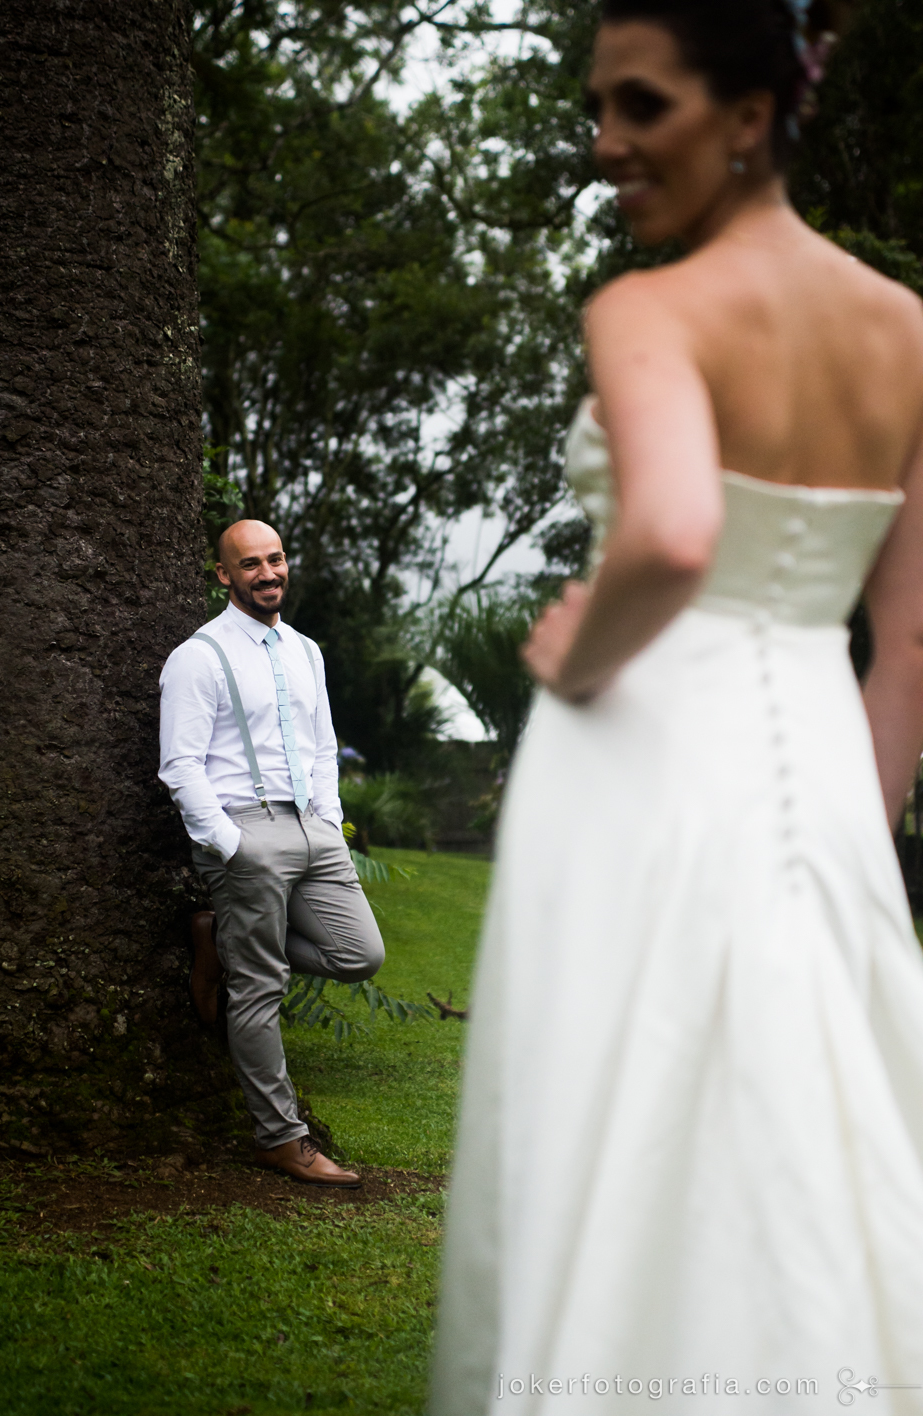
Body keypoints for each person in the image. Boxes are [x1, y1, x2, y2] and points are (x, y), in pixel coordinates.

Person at [431, 1, 923, 1410]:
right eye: (600, 108)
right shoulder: (904, 330)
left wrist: (575, 659)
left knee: (619, 1117)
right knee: (800, 1135)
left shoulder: (643, 310)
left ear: (752, 114)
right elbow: (909, 643)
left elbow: (672, 536)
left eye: (641, 107)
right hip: (823, 776)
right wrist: (852, 848)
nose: (606, 145)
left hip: (641, 764)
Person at [159, 519, 384, 1187]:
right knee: (258, 990)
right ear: (224, 575)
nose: (268, 573)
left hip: (313, 828)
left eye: (276, 558)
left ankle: (216, 936)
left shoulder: (305, 651)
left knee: (359, 955)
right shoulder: (199, 657)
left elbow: (321, 746)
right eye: (250, 564)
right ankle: (280, 1138)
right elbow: (180, 766)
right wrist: (231, 846)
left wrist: (329, 820)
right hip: (245, 831)